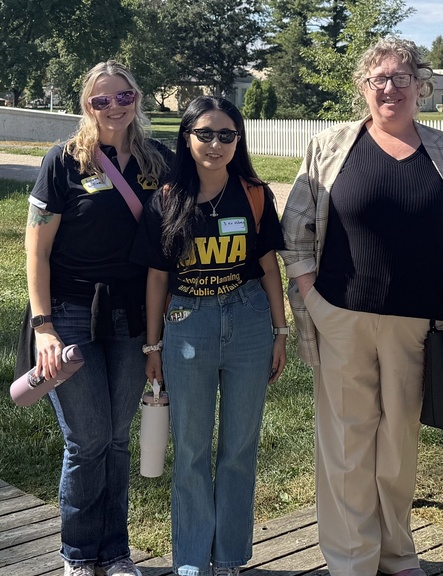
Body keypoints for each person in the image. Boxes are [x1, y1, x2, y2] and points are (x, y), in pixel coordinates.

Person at [279, 37, 443, 576]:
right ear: (363, 89)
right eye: (378, 79)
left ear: (421, 85)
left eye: (400, 78)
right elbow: (295, 229)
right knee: (347, 446)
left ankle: (396, 552)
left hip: (418, 322)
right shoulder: (330, 145)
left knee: (397, 446)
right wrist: (313, 297)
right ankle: (352, 560)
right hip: (341, 315)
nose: (389, 88)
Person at [22, 60, 173, 576]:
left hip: (133, 318)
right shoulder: (63, 162)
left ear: (138, 98)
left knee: (115, 438)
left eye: (123, 96)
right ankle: (79, 554)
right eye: (101, 100)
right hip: (67, 313)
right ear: (86, 106)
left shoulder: (159, 163)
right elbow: (36, 252)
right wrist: (43, 325)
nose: (114, 107)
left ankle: (115, 552)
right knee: (87, 440)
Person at [131, 96, 287, 576]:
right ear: (186, 137)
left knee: (239, 448)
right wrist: (152, 346)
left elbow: (267, 267)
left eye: (226, 135)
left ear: (238, 141)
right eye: (205, 134)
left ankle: (232, 558)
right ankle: (193, 560)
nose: (215, 144)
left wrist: (281, 331)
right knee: (192, 451)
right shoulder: (166, 197)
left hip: (248, 323)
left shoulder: (255, 194)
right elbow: (157, 277)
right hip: (186, 326)